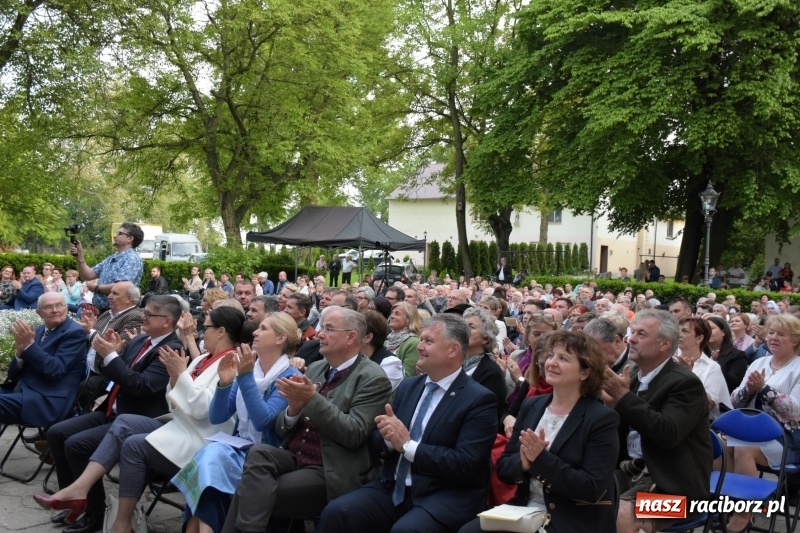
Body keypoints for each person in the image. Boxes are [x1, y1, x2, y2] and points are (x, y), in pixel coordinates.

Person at [33, 307, 244, 532]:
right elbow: (173, 400)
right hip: (178, 424)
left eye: (207, 326)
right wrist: (177, 377)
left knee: (133, 445)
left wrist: (180, 375)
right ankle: (81, 490)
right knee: (124, 422)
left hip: (201, 438)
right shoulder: (202, 358)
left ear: (221, 331)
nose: (203, 330)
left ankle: (120, 522)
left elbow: (204, 410)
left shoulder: (234, 363)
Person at [317, 314, 498, 533]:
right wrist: (388, 439)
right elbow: (378, 441)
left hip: (443, 494)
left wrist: (407, 445)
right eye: (421, 339)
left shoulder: (478, 399)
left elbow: (466, 464)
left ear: (453, 350)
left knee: (406, 530)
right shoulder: (410, 387)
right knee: (337, 513)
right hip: (393, 486)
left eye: (428, 341)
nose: (419, 347)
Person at [220, 308, 392, 532]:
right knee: (259, 453)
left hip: (329, 468)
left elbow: (354, 433)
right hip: (293, 456)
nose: (319, 333)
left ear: (351, 337)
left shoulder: (373, 377)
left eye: (329, 329)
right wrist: (293, 410)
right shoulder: (318, 368)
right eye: (322, 327)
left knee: (252, 490)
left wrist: (311, 400)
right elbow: (281, 428)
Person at [44, 295, 183, 533]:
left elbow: (142, 385)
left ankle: (94, 514)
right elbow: (114, 376)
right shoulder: (141, 341)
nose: (143, 317)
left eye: (149, 314)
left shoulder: (172, 350)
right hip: (112, 409)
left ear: (167, 321)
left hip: (135, 419)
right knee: (57, 433)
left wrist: (112, 357)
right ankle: (73, 502)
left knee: (76, 445)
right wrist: (112, 354)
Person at [460, 330, 620, 533]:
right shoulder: (532, 406)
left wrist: (541, 460)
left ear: (585, 372)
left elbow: (592, 488)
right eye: (551, 355)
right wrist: (524, 464)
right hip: (524, 511)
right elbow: (505, 469)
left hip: (570, 519)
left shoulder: (600, 418)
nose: (551, 362)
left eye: (563, 358)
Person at [171, 311, 302, 533]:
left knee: (211, 457)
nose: (255, 332)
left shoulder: (290, 376)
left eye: (263, 329)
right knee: (210, 460)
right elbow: (218, 416)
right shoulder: (252, 368)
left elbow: (264, 421)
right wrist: (225, 383)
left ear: (281, 339)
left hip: (266, 455)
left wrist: (244, 377)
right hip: (238, 447)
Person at [602, 309, 711, 533]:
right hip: (629, 472)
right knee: (577, 496)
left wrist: (623, 398)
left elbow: (666, 433)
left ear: (665, 344)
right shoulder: (631, 375)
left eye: (641, 334)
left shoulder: (685, 383)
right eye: (632, 332)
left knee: (622, 514)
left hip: (677, 491)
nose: (630, 338)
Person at [726, 313, 800, 532]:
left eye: (781, 334)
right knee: (721, 445)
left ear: (795, 340)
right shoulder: (759, 362)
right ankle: (727, 504)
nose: (773, 337)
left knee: (742, 450)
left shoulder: (798, 367)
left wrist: (764, 390)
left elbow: (796, 411)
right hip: (750, 430)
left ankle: (744, 511)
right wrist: (749, 390)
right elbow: (735, 400)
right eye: (771, 332)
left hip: (788, 438)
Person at [0, 292, 87, 427]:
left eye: (59, 305)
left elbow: (55, 370)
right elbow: (12, 375)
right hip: (22, 390)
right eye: (48, 307)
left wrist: (30, 346)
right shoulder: (39, 331)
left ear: (67, 308)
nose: (55, 310)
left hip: (46, 400)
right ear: (39, 312)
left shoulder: (74, 333)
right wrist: (19, 354)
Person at [70, 223, 144, 313]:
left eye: (120, 233)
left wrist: (97, 288)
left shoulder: (132, 258)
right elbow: (88, 275)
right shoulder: (112, 258)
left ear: (130, 238)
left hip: (117, 312)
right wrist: (79, 256)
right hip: (103, 311)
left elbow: (121, 287)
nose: (115, 236)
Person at [675, 317, 732, 419]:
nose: (679, 335)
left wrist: (689, 377)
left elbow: (708, 405)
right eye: (678, 330)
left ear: (699, 338)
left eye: (685, 331)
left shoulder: (712, 367)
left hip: (701, 424)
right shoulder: (669, 360)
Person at [462, 306, 508, 431]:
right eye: (463, 325)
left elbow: (486, 419)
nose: (463, 330)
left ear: (486, 338)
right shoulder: (452, 363)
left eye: (471, 327)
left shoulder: (491, 373)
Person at [361, 310, 404, 390]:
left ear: (368, 337)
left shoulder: (391, 363)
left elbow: (371, 395)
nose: (349, 337)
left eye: (354, 333)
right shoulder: (352, 357)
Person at [706, 315, 748, 393]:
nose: (707, 331)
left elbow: (734, 384)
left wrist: (715, 365)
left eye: (711, 328)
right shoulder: (700, 353)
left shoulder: (737, 355)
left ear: (723, 332)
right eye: (704, 329)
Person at [385, 301, 422, 377]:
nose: (391, 316)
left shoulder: (414, 343)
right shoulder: (387, 341)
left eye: (397, 314)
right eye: (392, 313)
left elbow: (408, 376)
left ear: (409, 319)